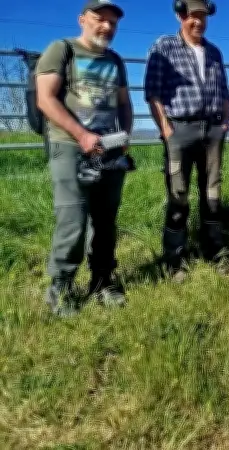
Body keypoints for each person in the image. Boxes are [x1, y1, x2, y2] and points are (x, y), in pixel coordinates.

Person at [35, 0, 132, 317]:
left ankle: (102, 281)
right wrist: (82, 135)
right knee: (73, 220)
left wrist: (125, 137)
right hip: (70, 147)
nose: (107, 26)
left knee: (105, 221)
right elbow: (45, 98)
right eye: (99, 19)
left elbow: (124, 102)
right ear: (82, 19)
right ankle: (60, 288)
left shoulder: (115, 60)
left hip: (108, 148)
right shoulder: (61, 50)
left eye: (112, 22)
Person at [144, 0, 229, 282]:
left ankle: (214, 249)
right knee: (178, 193)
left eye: (202, 17)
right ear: (180, 16)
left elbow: (224, 91)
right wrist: (166, 129)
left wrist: (225, 122)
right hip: (180, 129)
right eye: (193, 16)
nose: (198, 22)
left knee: (213, 193)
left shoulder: (214, 52)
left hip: (212, 129)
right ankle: (174, 258)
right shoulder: (165, 46)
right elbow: (152, 91)